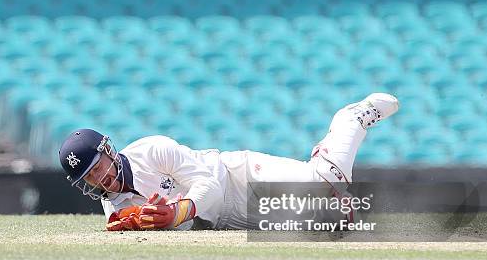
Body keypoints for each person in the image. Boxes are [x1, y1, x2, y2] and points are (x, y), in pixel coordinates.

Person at [58, 93, 399, 230]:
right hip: (227, 222)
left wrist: (177, 212)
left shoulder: (151, 150)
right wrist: (150, 227)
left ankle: (350, 119)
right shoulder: (115, 207)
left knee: (328, 184)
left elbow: (209, 184)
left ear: (109, 151)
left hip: (236, 177)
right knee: (340, 223)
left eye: (99, 166)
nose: (101, 179)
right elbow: (182, 232)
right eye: (90, 178)